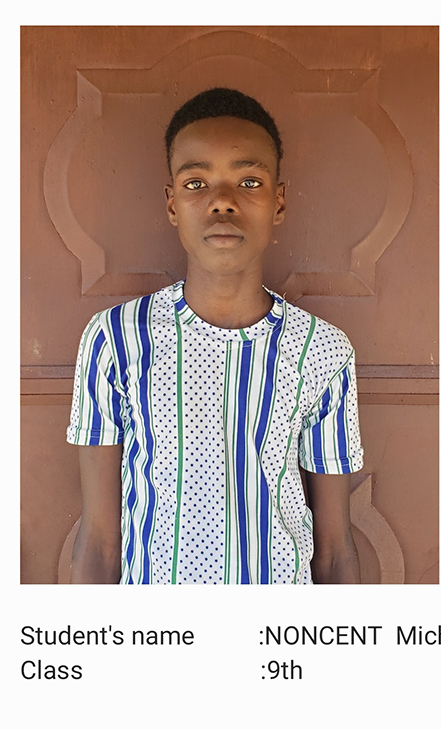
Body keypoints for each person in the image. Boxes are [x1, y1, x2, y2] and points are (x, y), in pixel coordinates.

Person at [66, 87, 364, 584]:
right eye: (196, 183)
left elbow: (334, 550)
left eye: (249, 181)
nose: (223, 202)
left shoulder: (323, 350)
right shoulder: (116, 339)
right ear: (171, 205)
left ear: (279, 202)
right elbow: (98, 541)